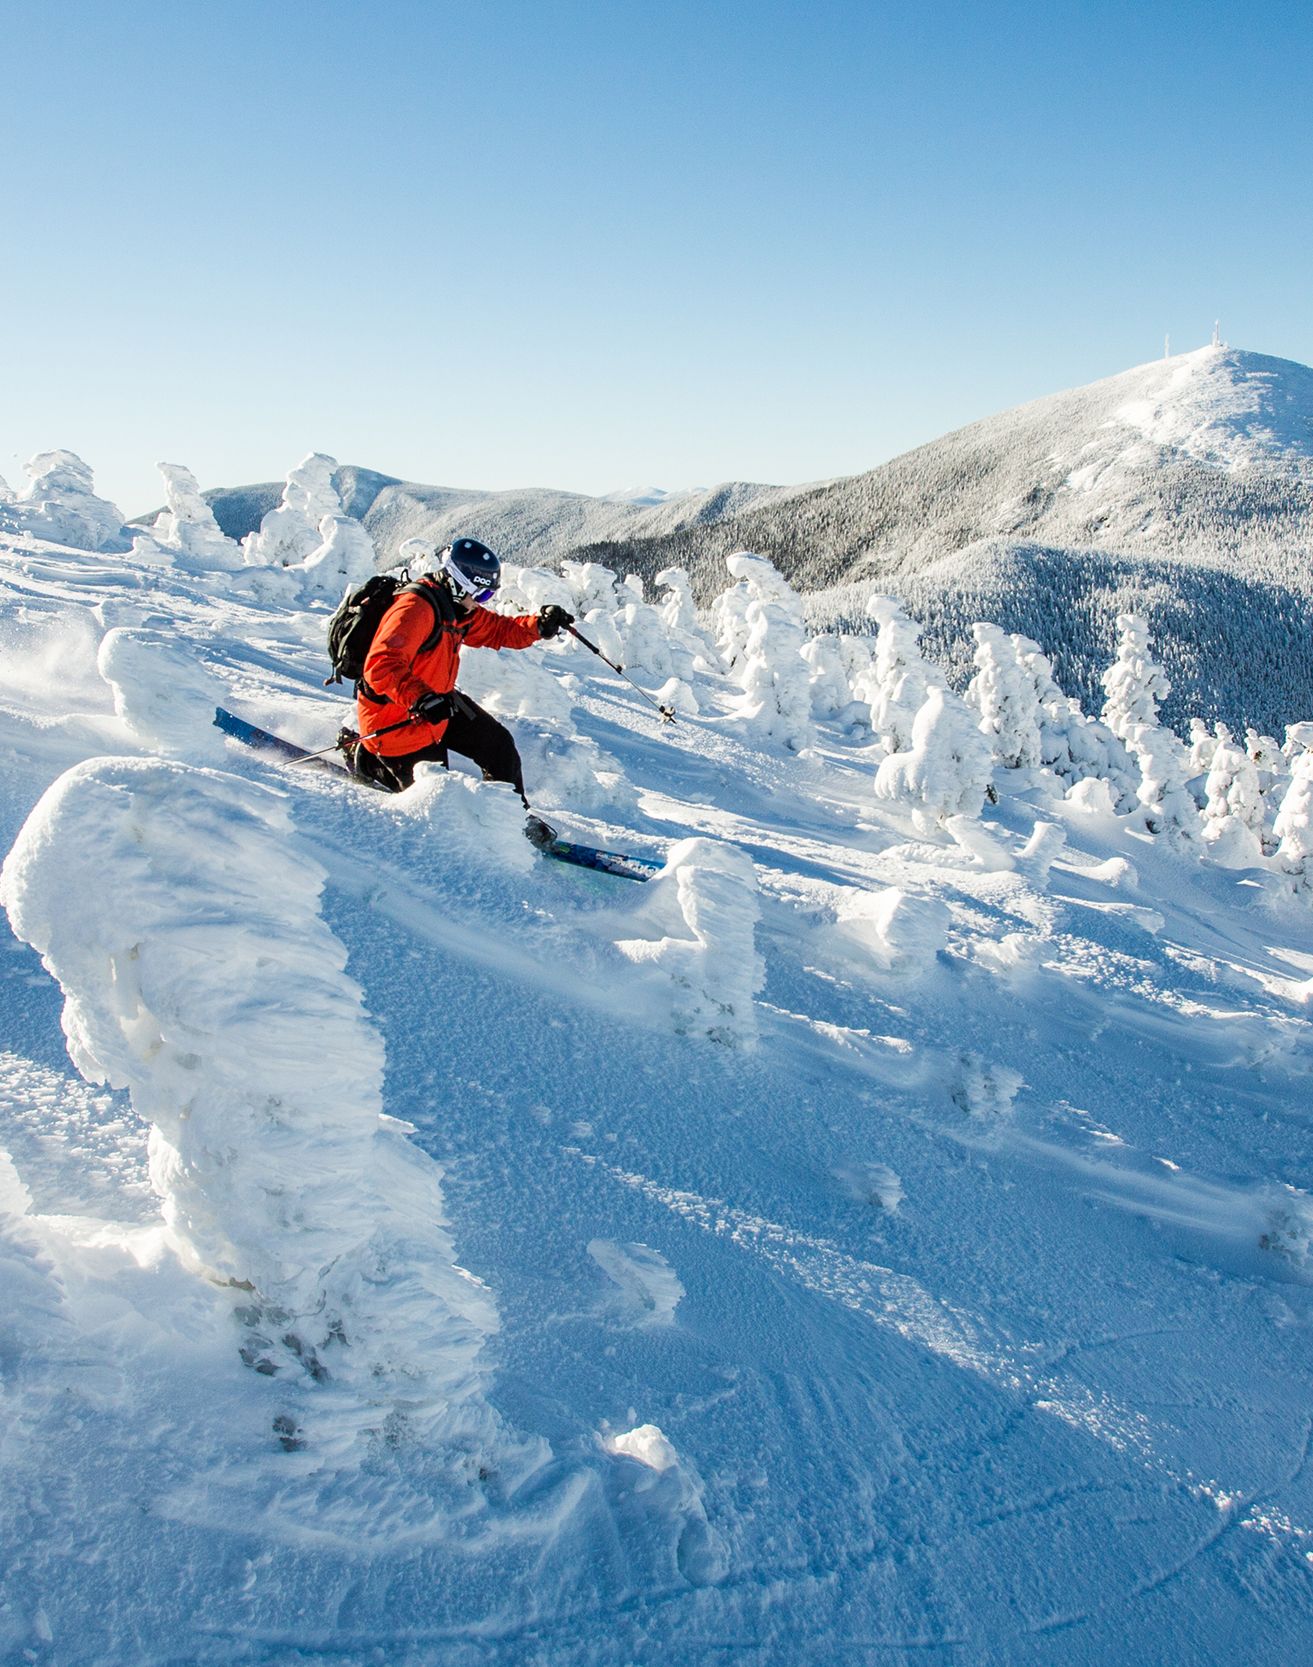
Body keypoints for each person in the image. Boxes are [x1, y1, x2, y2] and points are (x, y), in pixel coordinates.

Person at [353, 537, 573, 799]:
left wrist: (539, 626)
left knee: (498, 746)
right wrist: (422, 698)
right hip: (399, 719)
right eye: (482, 594)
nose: (482, 601)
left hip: (437, 704)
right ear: (459, 584)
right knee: (438, 798)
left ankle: (510, 815)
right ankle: (372, 764)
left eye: (488, 595)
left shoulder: (456, 608)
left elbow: (497, 629)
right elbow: (380, 665)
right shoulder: (415, 610)